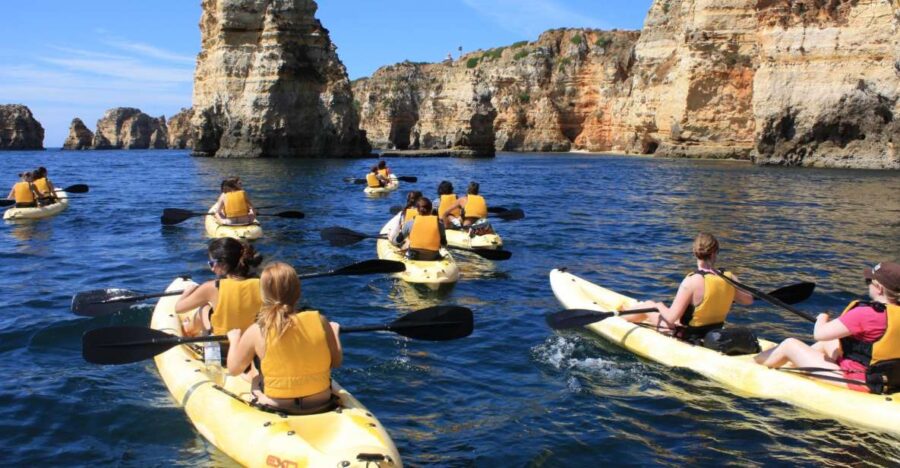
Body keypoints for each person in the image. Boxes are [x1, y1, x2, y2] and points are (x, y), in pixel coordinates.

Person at [754, 261, 900, 393]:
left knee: (789, 344)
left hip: (859, 380)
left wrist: (822, 318)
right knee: (831, 341)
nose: (867, 284)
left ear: (879, 288)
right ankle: (794, 362)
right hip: (888, 379)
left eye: (869, 281)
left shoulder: (866, 313)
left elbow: (820, 334)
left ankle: (755, 363)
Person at [226, 262, 342, 414]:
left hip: (276, 405)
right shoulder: (320, 320)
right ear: (298, 291)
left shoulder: (257, 330)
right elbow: (336, 361)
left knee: (255, 378)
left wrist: (234, 340)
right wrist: (334, 333)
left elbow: (234, 370)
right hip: (321, 400)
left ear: (263, 294)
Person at [624, 233, 754, 342]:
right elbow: (748, 300)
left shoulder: (691, 281)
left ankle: (618, 320)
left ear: (695, 252)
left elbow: (670, 318)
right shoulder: (729, 277)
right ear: (715, 253)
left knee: (649, 304)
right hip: (713, 334)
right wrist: (726, 294)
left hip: (687, 337)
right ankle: (627, 313)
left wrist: (659, 305)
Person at [175, 238, 264, 342]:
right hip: (249, 340)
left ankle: (189, 329)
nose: (212, 268)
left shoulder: (211, 287)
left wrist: (187, 292)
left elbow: (179, 308)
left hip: (221, 342)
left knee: (204, 308)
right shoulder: (261, 283)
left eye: (211, 263)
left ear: (223, 264)